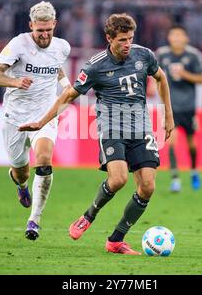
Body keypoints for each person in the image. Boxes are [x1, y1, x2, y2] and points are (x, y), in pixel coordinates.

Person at [18, 13, 174, 255]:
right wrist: (41, 122)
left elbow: (161, 78)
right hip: (112, 129)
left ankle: (116, 240)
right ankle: (88, 215)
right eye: (122, 40)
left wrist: (168, 116)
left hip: (141, 128)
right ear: (109, 38)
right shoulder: (95, 66)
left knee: (148, 187)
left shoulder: (144, 55)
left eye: (130, 39)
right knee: (119, 179)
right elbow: (69, 96)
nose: (127, 44)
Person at [0, 1, 71, 241]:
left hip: (44, 115)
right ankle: (21, 185)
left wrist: (66, 88)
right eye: (39, 31)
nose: (44, 35)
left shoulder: (62, 47)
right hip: (14, 117)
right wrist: (16, 82)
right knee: (21, 172)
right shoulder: (18, 44)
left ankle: (34, 220)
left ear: (54, 25)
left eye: (48, 30)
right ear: (31, 25)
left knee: (44, 160)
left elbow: (56, 68)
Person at [156, 25, 202, 192]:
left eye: (180, 35)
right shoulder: (162, 54)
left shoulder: (193, 55)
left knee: (191, 143)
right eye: (173, 35)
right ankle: (175, 178)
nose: (176, 38)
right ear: (169, 38)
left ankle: (193, 171)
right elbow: (154, 74)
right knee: (171, 142)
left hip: (188, 107)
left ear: (186, 38)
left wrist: (185, 75)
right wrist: (152, 84)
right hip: (170, 107)